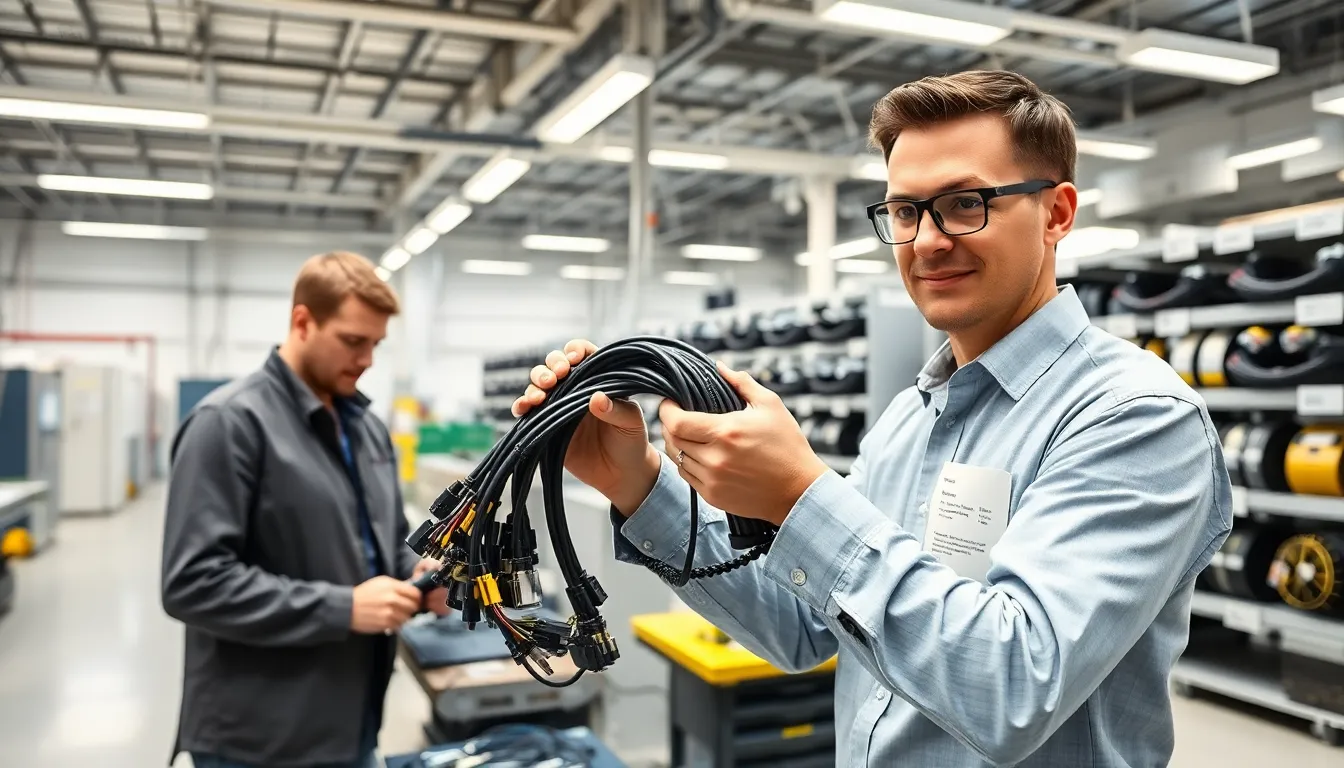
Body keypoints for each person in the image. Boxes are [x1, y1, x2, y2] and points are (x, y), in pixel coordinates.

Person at [514, 71, 1232, 767]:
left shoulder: (1134, 417)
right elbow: (802, 626)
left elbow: (1015, 686)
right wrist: (639, 483)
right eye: (905, 211)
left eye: (964, 203)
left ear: (1057, 212)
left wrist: (800, 497)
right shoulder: (909, 418)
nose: (926, 241)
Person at [161, 252, 448, 768]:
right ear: (302, 322)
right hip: (257, 738)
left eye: (376, 344)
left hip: (349, 720)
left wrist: (418, 575)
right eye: (353, 341)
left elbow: (383, 542)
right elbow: (192, 583)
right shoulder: (228, 425)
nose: (366, 360)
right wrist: (343, 608)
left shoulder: (365, 428)